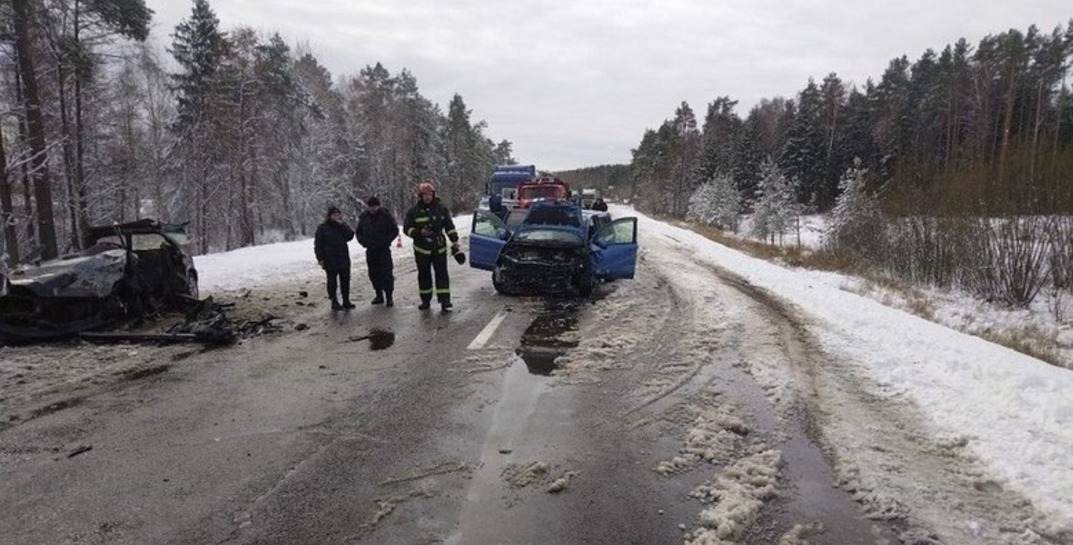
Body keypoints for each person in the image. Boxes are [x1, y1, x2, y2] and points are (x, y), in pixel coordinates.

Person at [403, 181, 463, 312]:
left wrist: (454, 240)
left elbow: (449, 226)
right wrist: (419, 232)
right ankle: (425, 300)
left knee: (442, 274)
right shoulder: (413, 211)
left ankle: (445, 301)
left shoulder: (441, 209)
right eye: (425, 194)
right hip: (421, 249)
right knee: (424, 275)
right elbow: (406, 229)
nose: (428, 197)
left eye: (430, 194)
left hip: (439, 247)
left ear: (434, 195)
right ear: (420, 196)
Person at [356, 196, 400, 307]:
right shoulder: (364, 217)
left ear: (378, 206)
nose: (373, 209)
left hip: (384, 249)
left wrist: (386, 240)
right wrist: (363, 242)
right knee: (373, 273)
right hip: (371, 250)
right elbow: (359, 232)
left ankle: (389, 296)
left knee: (387, 273)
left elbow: (394, 230)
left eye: (375, 206)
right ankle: (378, 294)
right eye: (370, 207)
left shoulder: (385, 216)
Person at [314, 205, 355, 311]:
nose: (336, 216)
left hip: (343, 257)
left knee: (345, 280)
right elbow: (318, 244)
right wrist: (320, 258)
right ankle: (334, 301)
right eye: (334, 215)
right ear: (329, 216)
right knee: (332, 281)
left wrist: (342, 225)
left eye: (338, 214)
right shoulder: (322, 228)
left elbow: (350, 236)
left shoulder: (342, 226)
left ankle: (346, 300)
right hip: (330, 259)